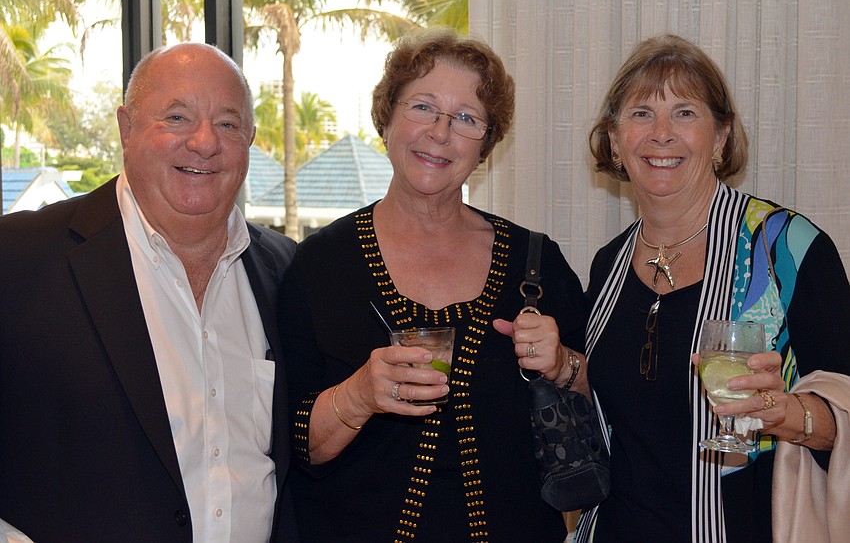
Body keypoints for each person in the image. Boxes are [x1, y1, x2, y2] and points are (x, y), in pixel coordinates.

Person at [278, 27, 589, 542]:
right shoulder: (319, 265)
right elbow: (293, 446)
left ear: (486, 143)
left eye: (466, 118)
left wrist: (565, 366)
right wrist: (358, 395)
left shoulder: (536, 263)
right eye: (422, 107)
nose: (440, 133)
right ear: (387, 117)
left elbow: (601, 405)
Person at [0, 43, 298, 542]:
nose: (205, 142)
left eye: (227, 124)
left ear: (250, 138)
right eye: (177, 117)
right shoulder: (18, 259)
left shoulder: (285, 272)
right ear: (126, 128)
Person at [574, 33, 850, 542]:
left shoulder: (786, 249)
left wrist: (785, 412)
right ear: (614, 140)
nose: (661, 134)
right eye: (640, 114)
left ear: (720, 136)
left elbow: (845, 411)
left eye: (684, 113)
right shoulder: (608, 264)